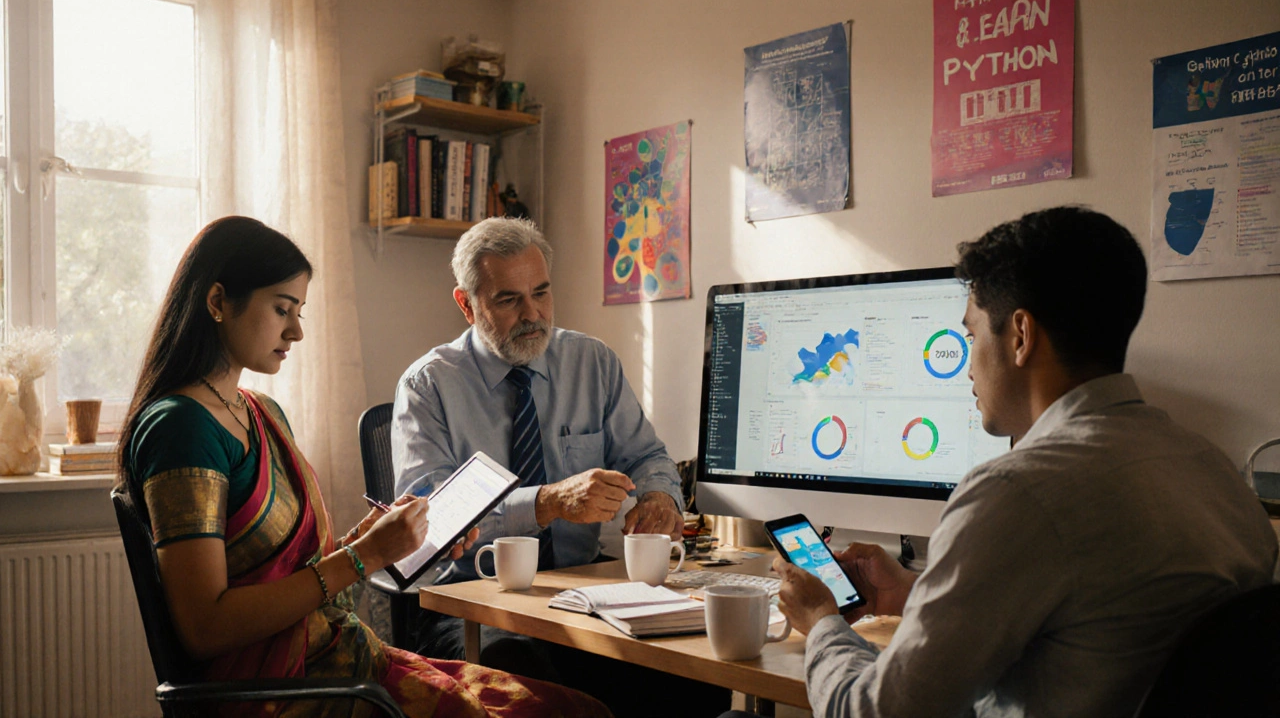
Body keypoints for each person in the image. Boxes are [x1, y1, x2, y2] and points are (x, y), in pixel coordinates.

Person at [763, 206, 1279, 718]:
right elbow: (1095, 626)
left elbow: (879, 713)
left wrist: (823, 620)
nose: (967, 363)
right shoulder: (1213, 470)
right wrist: (916, 595)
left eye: (970, 335)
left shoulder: (1014, 492)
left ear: (1020, 336)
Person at [117, 216, 610, 718]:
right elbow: (206, 629)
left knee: (577, 704)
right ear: (218, 302)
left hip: (343, 663)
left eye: (300, 310)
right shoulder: (181, 429)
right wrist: (363, 556)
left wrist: (375, 538)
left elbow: (296, 572)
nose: (297, 330)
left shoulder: (259, 411)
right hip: (288, 692)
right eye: (282, 309)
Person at [392, 217, 726, 716]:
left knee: (694, 672)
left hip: (581, 593)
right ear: (467, 305)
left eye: (542, 293)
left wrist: (660, 496)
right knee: (520, 672)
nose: (534, 314)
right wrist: (547, 502)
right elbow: (433, 520)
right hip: (469, 600)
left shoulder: (592, 362)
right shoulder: (428, 386)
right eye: (509, 300)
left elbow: (648, 456)